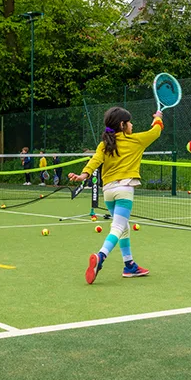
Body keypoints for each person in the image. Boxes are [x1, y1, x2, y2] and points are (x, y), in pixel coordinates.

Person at [70, 107, 163, 283]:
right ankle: (101, 256)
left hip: (108, 192)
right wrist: (158, 118)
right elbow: (156, 131)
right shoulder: (136, 141)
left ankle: (129, 265)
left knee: (123, 227)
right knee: (118, 227)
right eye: (129, 122)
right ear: (122, 125)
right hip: (124, 189)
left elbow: (94, 161)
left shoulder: (104, 145)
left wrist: (83, 175)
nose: (132, 125)